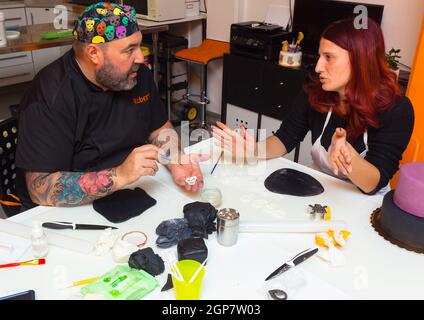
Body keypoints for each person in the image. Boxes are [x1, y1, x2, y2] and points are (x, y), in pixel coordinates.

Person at [15, 2, 205, 210]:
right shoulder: (51, 95)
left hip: (131, 189)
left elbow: (159, 128)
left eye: (139, 46)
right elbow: (39, 188)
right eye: (129, 50)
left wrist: (175, 159)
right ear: (94, 53)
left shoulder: (136, 74)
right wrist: (120, 175)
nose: (141, 58)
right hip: (67, 209)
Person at [212, 18, 415, 195]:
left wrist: (347, 156)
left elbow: (373, 183)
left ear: (360, 59)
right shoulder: (315, 92)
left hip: (363, 203)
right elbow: (285, 138)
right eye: (320, 56)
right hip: (319, 189)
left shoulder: (397, 110)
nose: (318, 67)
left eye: (329, 57)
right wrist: (253, 150)